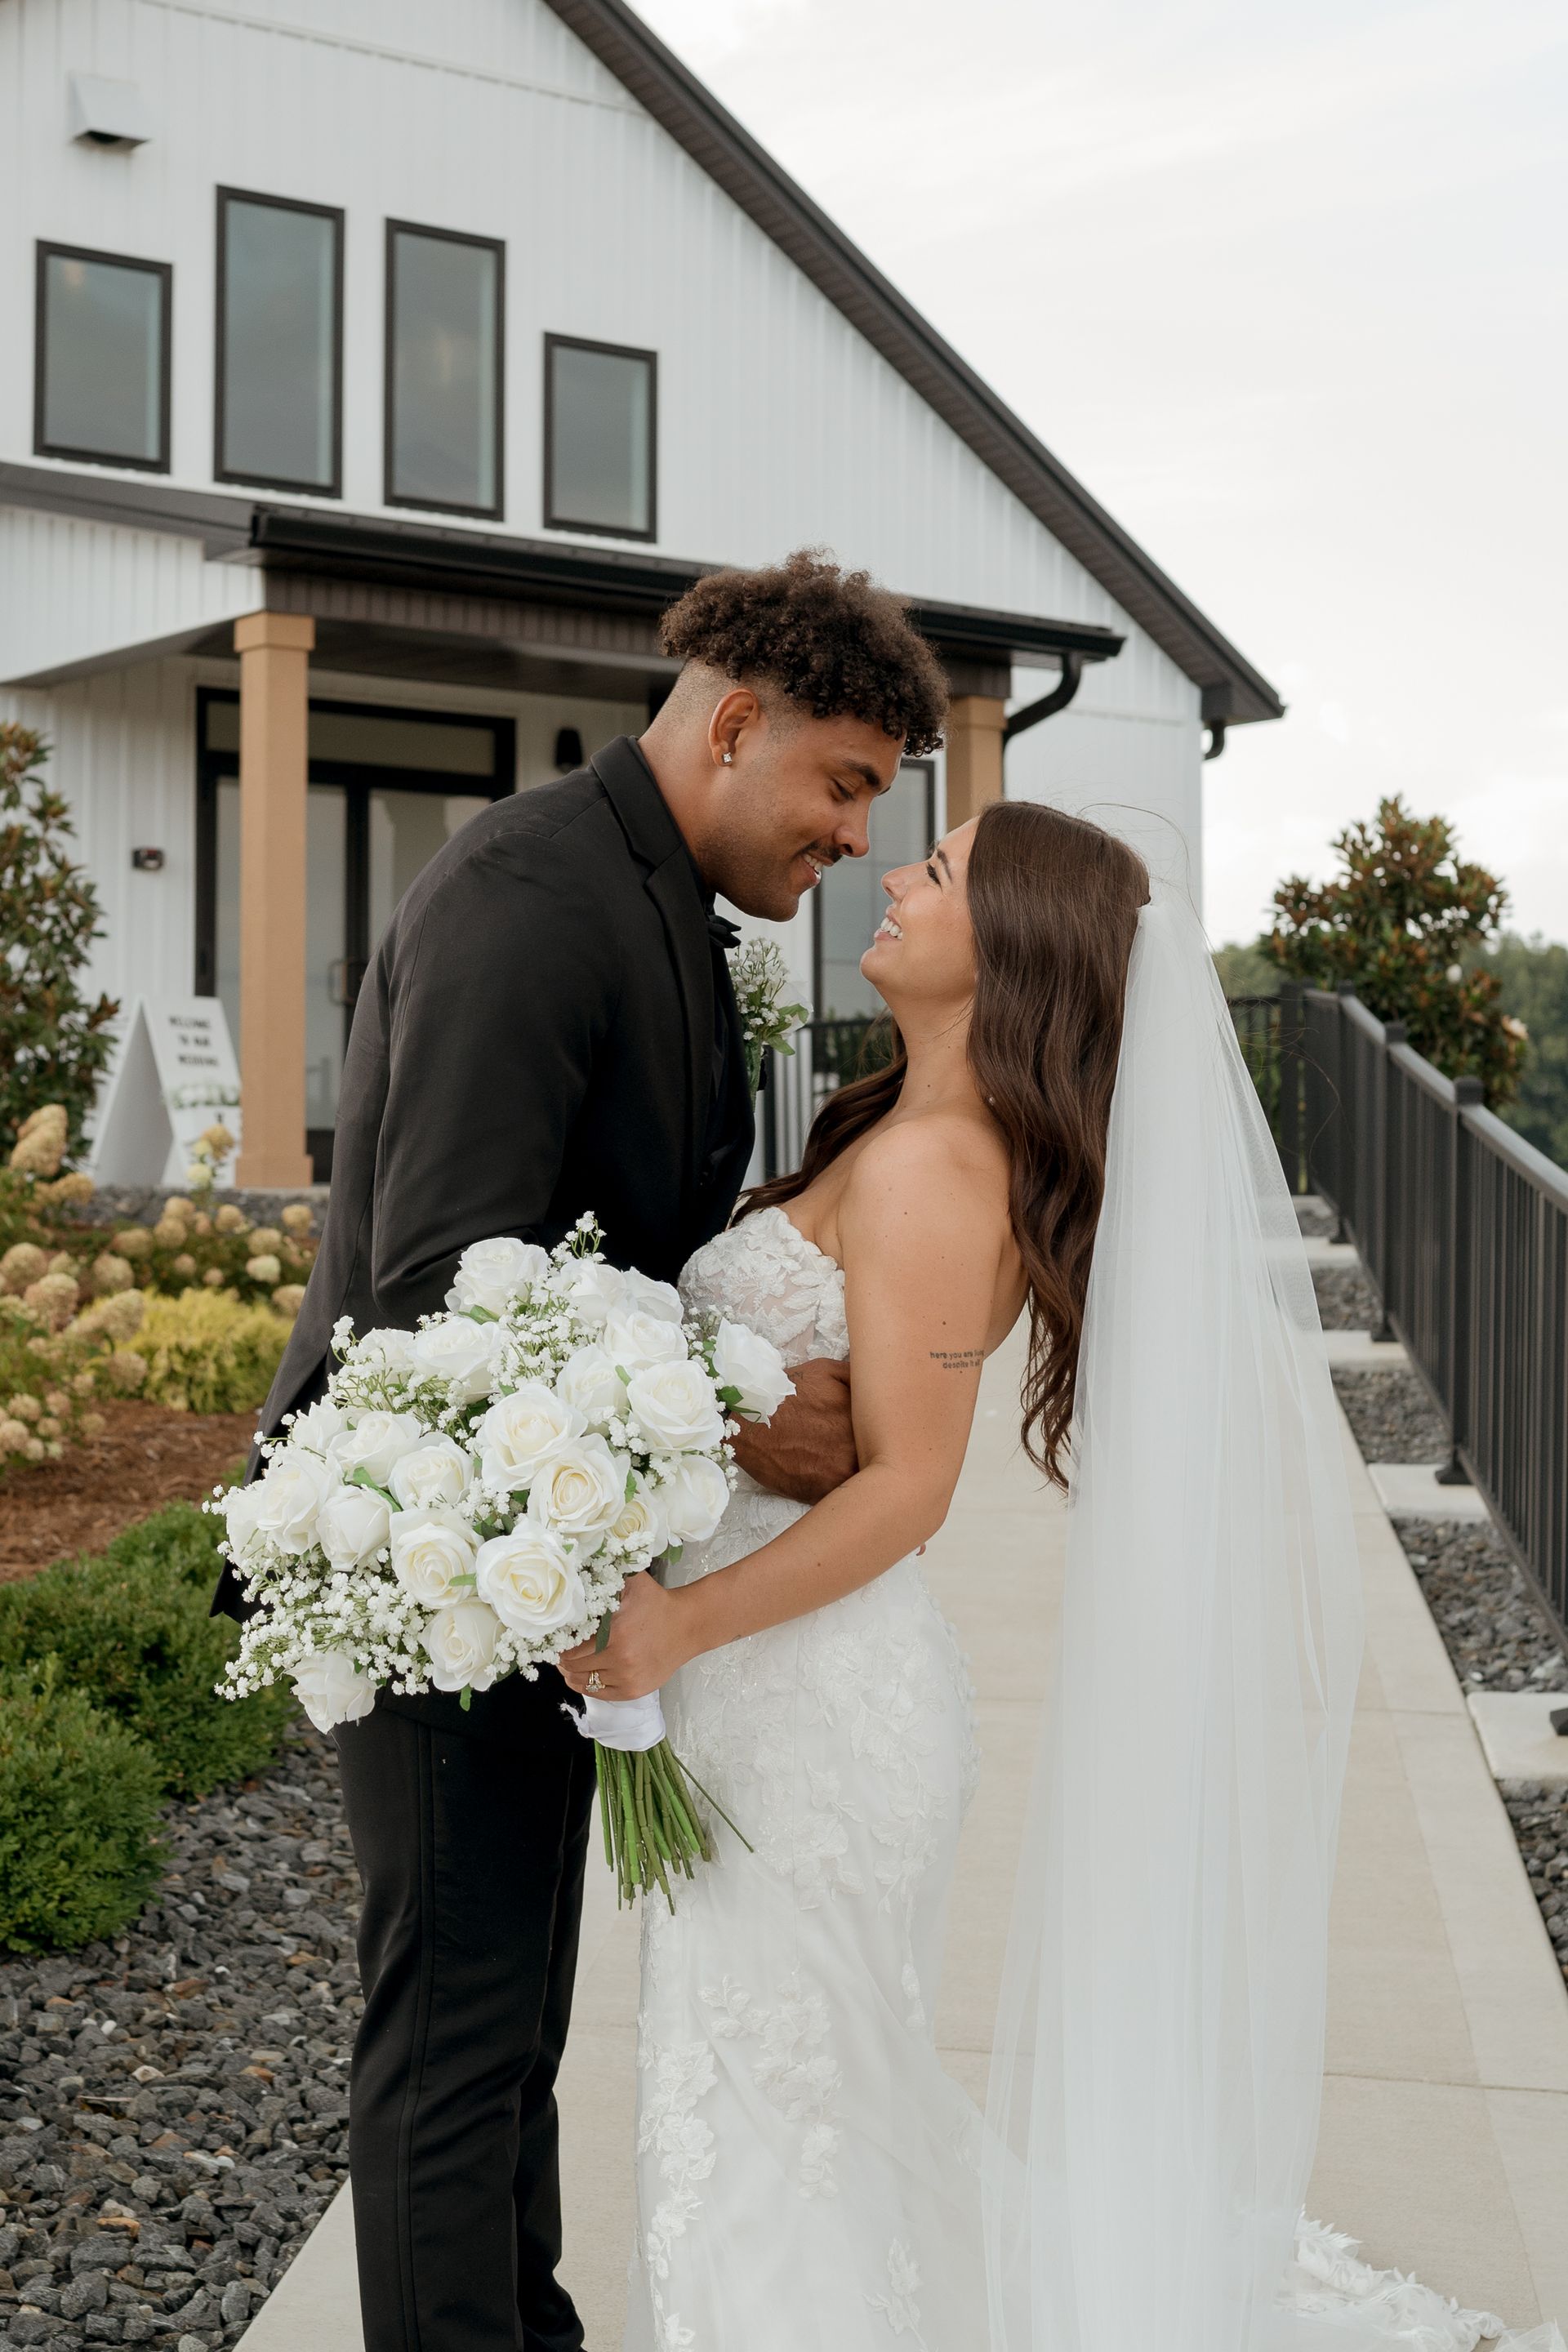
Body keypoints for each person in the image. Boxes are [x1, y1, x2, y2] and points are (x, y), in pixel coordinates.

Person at [565, 800, 1563, 2352]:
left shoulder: (938, 1170)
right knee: (786, 2090)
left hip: (807, 1706)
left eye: (940, 870)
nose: (893, 877)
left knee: (782, 2094)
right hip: (775, 1694)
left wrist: (675, 1620)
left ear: (1011, 949)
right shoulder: (900, 1130)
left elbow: (909, 1488)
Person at [212, 550, 950, 2352]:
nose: (857, 834)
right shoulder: (533, 897)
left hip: (538, 1553)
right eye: (844, 783)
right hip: (438, 1549)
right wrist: (740, 1394)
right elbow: (446, 1273)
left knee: (509, 2022)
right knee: (456, 2032)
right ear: (732, 722)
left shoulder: (663, 901)